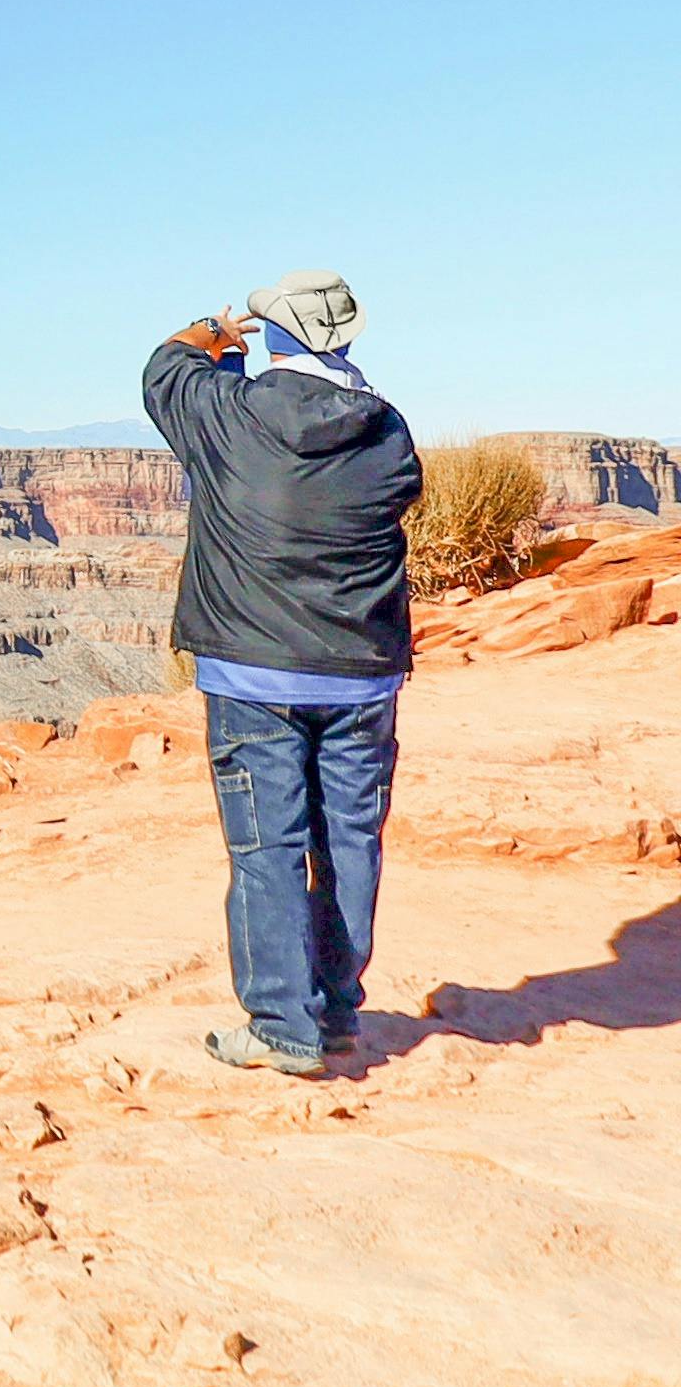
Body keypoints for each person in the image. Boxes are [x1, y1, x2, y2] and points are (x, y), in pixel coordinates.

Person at [142, 268, 423, 1077]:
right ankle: (333, 1015)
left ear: (275, 336)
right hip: (361, 673)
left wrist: (214, 333)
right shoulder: (387, 430)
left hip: (253, 676)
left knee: (267, 846)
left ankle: (279, 1025)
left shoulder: (231, 417)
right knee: (350, 843)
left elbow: (165, 369)